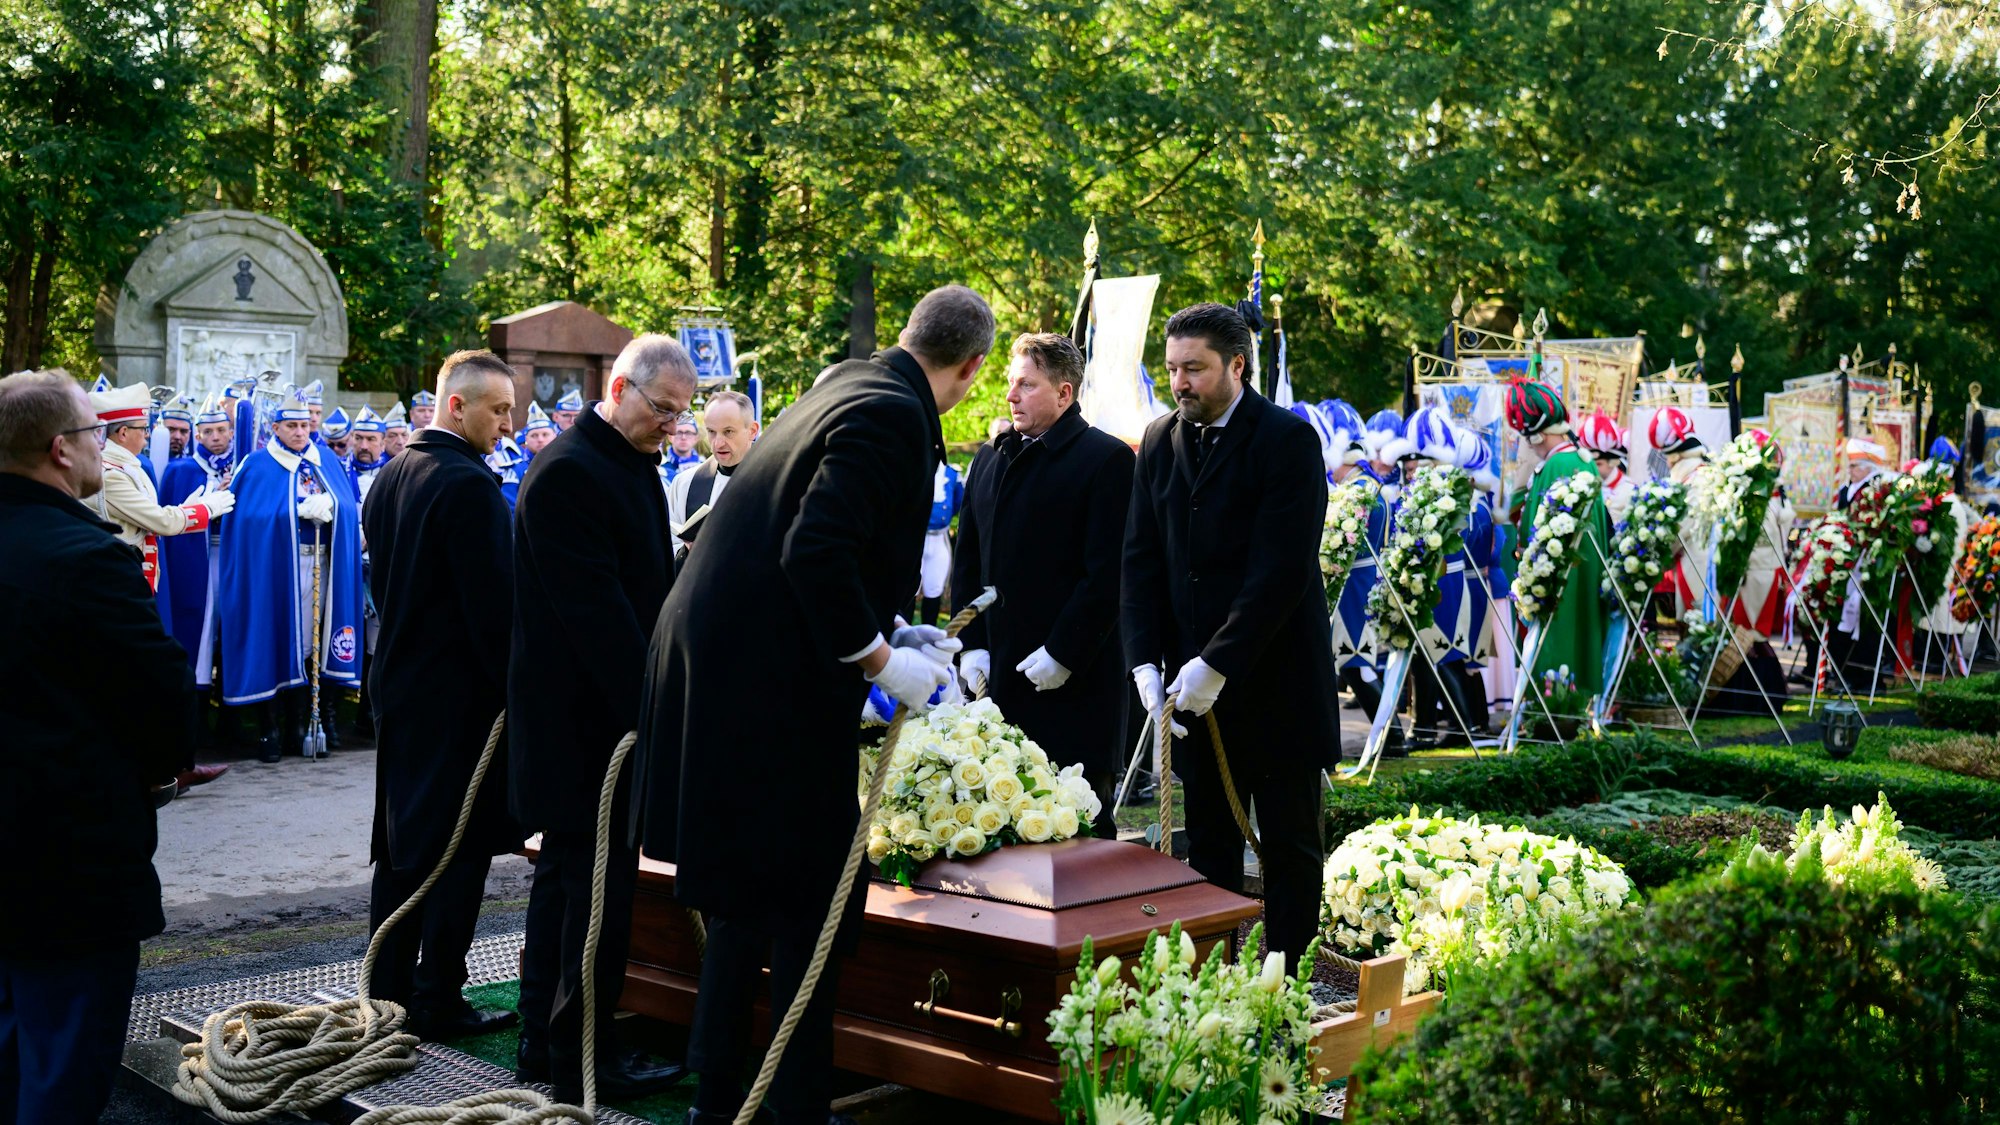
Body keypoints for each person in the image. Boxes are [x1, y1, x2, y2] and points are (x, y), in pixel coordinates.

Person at [634, 285, 989, 1125]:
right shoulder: (893, 413)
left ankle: (723, 1092)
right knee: (811, 901)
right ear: (973, 367)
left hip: (734, 661)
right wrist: (882, 661)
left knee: (748, 897)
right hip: (762, 680)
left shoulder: (848, 382)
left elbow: (814, 536)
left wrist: (893, 626)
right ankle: (788, 1102)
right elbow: (817, 547)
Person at [0, 370, 194, 1122]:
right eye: (96, 434)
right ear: (61, 449)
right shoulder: (84, 558)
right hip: (67, 866)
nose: (103, 448)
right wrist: (156, 774)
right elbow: (163, 704)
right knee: (64, 1071)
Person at [1122, 302, 1338, 969]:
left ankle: (1291, 984)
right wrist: (1142, 660)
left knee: (1290, 848)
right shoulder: (1159, 439)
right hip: (1190, 695)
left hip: (1277, 685)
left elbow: (1281, 571)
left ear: (1237, 365)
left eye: (1194, 368)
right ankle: (1211, 982)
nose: (1179, 382)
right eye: (1171, 369)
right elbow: (1141, 559)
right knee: (1209, 845)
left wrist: (1217, 662)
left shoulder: (1288, 440)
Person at [510, 335, 694, 1104]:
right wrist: (659, 707)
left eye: (680, 415)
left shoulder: (626, 462)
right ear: (619, 389)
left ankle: (549, 1038)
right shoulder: (571, 472)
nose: (671, 426)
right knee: (588, 896)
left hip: (604, 723)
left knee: (582, 886)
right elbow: (599, 619)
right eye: (663, 409)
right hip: (584, 729)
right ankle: (576, 1051)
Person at [363, 351, 524, 1038]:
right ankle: (436, 997)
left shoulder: (391, 474)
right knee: (459, 851)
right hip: (458, 704)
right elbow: (493, 614)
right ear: (456, 406)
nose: (508, 424)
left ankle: (386, 991)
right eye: (498, 409)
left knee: (401, 848)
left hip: (401, 688)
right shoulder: (467, 485)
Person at [953, 332, 1134, 838]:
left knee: (1077, 827)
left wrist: (1064, 652)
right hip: (998, 681)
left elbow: (1108, 573)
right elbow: (968, 560)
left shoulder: (1107, 460)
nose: (1011, 395)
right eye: (1011, 383)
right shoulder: (989, 458)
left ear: (1064, 393)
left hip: (1075, 687)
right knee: (1000, 827)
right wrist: (971, 643)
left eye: (1027, 385)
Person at [218, 385, 364, 762]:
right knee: (276, 636)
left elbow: (348, 506)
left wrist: (332, 505)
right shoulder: (256, 465)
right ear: (276, 428)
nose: (300, 432)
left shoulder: (324, 459)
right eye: (292, 426)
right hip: (276, 567)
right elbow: (247, 519)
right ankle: (270, 728)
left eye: (304, 425)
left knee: (313, 642)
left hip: (322, 563)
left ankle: (302, 724)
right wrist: (291, 512)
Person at [1506, 379, 1609, 694]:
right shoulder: (1579, 459)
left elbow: (1533, 528)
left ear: (1536, 434)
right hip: (1579, 575)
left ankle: (1554, 702)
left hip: (1560, 582)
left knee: (1558, 645)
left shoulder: (1557, 464)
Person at [85, 383, 235, 598]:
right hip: (114, 581)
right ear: (124, 433)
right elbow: (161, 521)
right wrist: (206, 508)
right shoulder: (111, 475)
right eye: (144, 428)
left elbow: (146, 518)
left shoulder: (124, 466)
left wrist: (185, 508)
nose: (147, 435)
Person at [159, 396, 240, 756]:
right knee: (200, 633)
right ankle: (197, 723)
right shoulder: (181, 470)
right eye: (208, 432)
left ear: (231, 431)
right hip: (197, 561)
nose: (216, 437)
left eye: (221, 430)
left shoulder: (242, 466)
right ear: (198, 435)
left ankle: (232, 719)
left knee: (233, 630)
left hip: (232, 557)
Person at [666, 390, 758, 552]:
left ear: (752, 431)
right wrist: (688, 550)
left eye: (728, 432)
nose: (718, 443)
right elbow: (666, 547)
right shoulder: (685, 484)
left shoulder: (775, 481)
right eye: (711, 432)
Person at [1650, 406, 1713, 618]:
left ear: (1676, 456)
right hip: (1694, 562)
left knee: (1698, 624)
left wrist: (1658, 555)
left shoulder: (1697, 479)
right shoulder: (1698, 474)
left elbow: (1683, 527)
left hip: (1698, 564)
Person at [1576, 410, 1633, 526]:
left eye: (1598, 464)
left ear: (1612, 462)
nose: (1592, 469)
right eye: (1590, 464)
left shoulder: (1629, 490)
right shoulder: (1579, 487)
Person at [347, 407, 390, 502]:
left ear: (383, 444)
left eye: (371, 439)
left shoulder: (392, 476)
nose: (364, 446)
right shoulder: (340, 472)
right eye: (358, 438)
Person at [660, 413, 702, 483]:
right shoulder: (660, 468)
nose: (683, 437)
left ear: (696, 438)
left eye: (688, 433)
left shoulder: (704, 467)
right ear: (670, 437)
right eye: (679, 433)